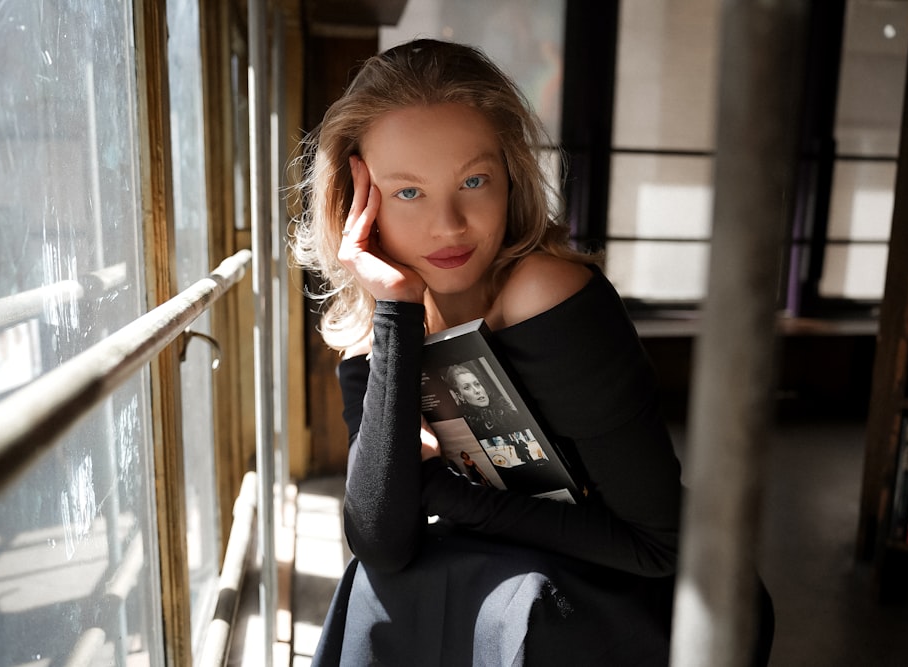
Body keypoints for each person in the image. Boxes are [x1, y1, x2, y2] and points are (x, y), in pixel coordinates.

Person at [290, 38, 773, 666]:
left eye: (473, 180)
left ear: (510, 176)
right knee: (377, 589)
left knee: (517, 603)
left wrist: (440, 492)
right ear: (358, 202)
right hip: (507, 562)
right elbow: (380, 542)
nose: (450, 224)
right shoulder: (376, 320)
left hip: (632, 592)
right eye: (408, 192)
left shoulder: (545, 292)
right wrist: (398, 310)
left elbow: (661, 546)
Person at [444, 362, 517, 434]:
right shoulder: (466, 427)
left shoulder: (509, 414)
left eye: (477, 384)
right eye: (467, 387)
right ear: (460, 396)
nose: (477, 391)